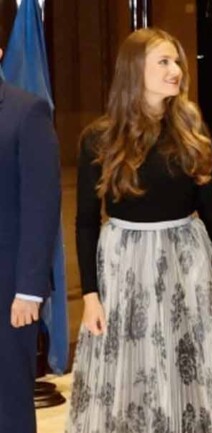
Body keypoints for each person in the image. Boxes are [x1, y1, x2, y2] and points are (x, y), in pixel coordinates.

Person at [65, 29, 212, 433]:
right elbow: (84, 222)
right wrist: (91, 296)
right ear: (135, 71)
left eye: (177, 61)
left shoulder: (188, 126)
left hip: (185, 264)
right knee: (133, 371)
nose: (176, 70)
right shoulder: (100, 138)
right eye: (163, 62)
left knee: (189, 367)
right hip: (125, 268)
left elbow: (211, 208)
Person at [0, 48, 61, 433]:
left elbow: (42, 205)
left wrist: (30, 290)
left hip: (9, 291)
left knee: (8, 402)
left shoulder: (27, 112)